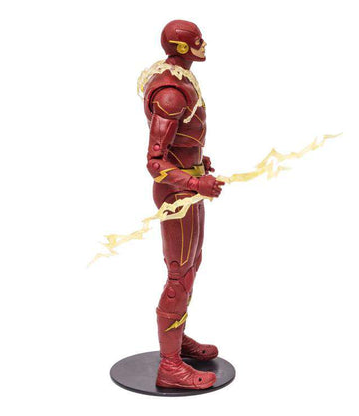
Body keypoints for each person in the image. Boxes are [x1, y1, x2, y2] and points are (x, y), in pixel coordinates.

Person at [140, 20, 224, 389]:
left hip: (188, 189)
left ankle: (177, 338)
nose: (205, 44)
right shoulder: (171, 93)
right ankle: (170, 365)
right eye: (198, 41)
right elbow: (155, 163)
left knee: (191, 265)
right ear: (183, 48)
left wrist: (198, 165)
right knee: (179, 274)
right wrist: (193, 181)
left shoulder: (180, 78)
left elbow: (181, 142)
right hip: (177, 195)